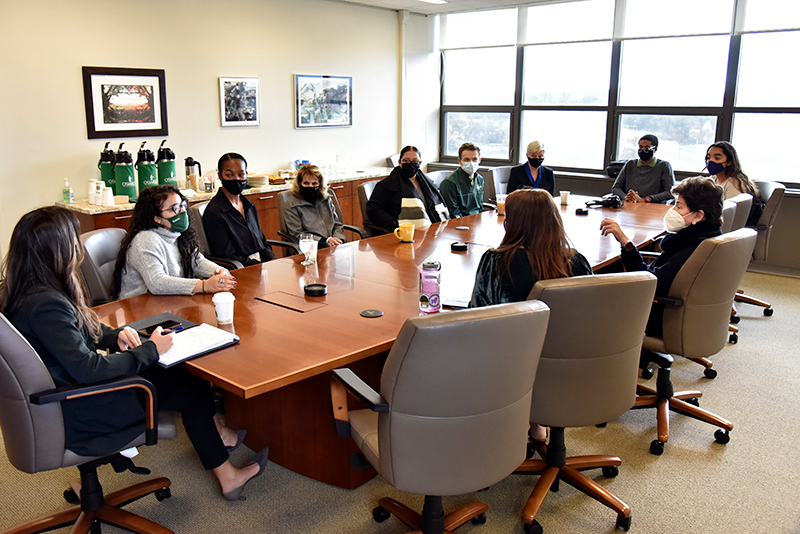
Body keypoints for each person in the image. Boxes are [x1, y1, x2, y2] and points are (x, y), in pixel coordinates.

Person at [0, 207, 269, 500]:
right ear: (58, 249)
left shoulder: (22, 290)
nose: (78, 248)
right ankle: (229, 477)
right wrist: (151, 349)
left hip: (59, 397)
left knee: (176, 373)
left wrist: (117, 337)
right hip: (81, 405)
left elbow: (72, 333)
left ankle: (221, 436)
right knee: (188, 387)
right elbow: (88, 369)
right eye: (73, 240)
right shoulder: (46, 304)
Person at [469, 189, 592, 443]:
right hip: (568, 362)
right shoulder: (576, 261)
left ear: (510, 223)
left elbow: (477, 317)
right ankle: (539, 422)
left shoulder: (496, 261)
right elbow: (591, 318)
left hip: (511, 365)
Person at [600, 176, 723, 337]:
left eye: (679, 207)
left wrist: (624, 241)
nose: (672, 211)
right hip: (685, 313)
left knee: (595, 290)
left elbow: (649, 283)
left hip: (660, 316)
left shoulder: (693, 248)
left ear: (698, 216)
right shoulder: (705, 236)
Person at [113, 185, 237, 299]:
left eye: (182, 205)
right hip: (139, 306)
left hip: (168, 301)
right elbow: (157, 283)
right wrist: (204, 285)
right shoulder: (146, 239)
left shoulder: (177, 234)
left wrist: (219, 273)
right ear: (157, 219)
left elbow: (197, 261)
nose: (182, 211)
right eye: (174, 209)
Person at [203, 153, 276, 266]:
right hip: (241, 270)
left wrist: (271, 260)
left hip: (261, 266)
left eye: (241, 175)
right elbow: (227, 255)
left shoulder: (249, 205)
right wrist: (258, 266)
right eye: (229, 175)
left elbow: (262, 241)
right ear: (220, 175)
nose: (236, 179)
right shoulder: (215, 212)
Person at [367, 145, 449, 233]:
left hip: (431, 230)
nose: (411, 164)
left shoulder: (428, 184)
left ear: (420, 163)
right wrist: (394, 223)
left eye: (415, 161)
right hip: (401, 232)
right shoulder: (387, 184)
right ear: (399, 162)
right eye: (406, 160)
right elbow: (373, 209)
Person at [284, 164, 346, 248]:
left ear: (320, 184)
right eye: (306, 183)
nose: (310, 187)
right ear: (299, 184)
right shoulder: (292, 204)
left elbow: (337, 224)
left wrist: (338, 239)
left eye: (314, 183)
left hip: (334, 245)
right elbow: (298, 234)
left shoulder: (326, 199)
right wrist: (326, 241)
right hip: (312, 248)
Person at [705, 141, 763, 224]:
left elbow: (730, 214)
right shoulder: (713, 179)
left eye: (717, 158)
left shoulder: (733, 183)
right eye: (708, 158)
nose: (711, 161)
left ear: (729, 162)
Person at [611, 134, 675, 204]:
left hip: (651, 206)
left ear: (655, 149)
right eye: (640, 147)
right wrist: (626, 197)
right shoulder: (630, 164)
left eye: (647, 148)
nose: (643, 150)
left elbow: (670, 192)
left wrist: (647, 199)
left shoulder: (663, 166)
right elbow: (616, 188)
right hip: (629, 204)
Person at [439, 142, 484, 218]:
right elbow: (453, 213)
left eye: (474, 159)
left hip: (477, 220)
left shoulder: (480, 179)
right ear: (460, 161)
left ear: (479, 160)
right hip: (461, 224)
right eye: (467, 159)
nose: (471, 163)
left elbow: (480, 207)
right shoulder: (449, 182)